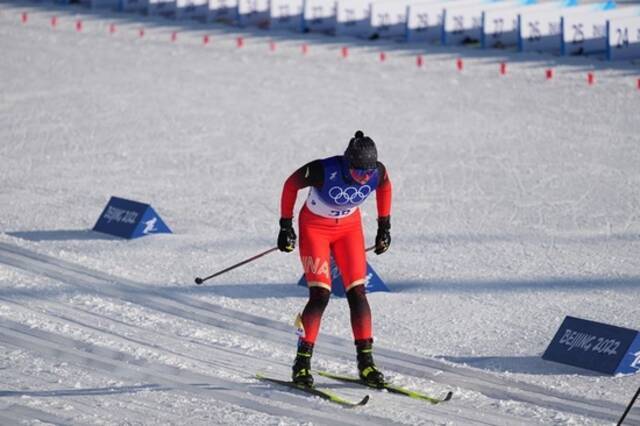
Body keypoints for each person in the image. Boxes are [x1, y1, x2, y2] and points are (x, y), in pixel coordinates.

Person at [277, 130, 392, 388]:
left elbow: (385, 185)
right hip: (315, 228)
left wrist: (384, 226)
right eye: (358, 173)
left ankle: (366, 364)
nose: (364, 179)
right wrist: (286, 226)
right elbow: (290, 184)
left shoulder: (377, 173)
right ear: (347, 162)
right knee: (320, 295)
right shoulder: (323, 169)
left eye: (367, 173)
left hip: (348, 229)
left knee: (358, 292)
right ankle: (301, 364)